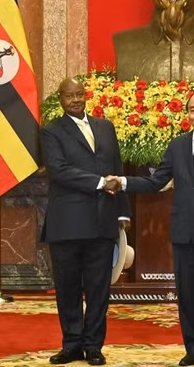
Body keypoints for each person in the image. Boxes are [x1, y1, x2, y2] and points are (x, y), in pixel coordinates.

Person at [106, 91, 194, 367]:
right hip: (184, 233)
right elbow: (156, 181)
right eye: (193, 110)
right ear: (187, 115)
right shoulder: (178, 146)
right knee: (187, 295)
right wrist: (123, 182)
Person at [40, 78, 129, 365]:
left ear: (86, 96)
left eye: (80, 94)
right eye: (69, 96)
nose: (76, 100)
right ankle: (71, 345)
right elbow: (59, 170)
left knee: (98, 288)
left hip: (102, 222)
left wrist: (123, 212)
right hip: (66, 223)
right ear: (61, 99)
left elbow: (117, 168)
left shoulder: (105, 127)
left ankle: (93, 346)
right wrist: (100, 182)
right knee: (67, 288)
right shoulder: (51, 131)